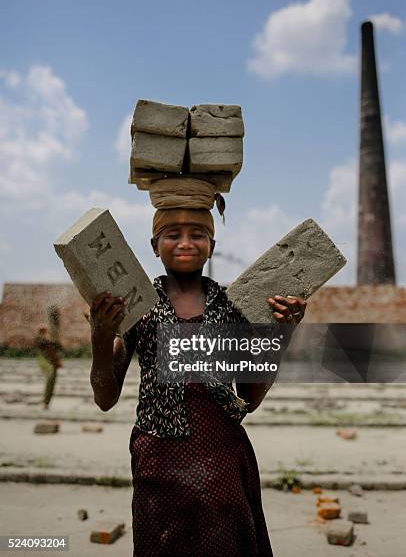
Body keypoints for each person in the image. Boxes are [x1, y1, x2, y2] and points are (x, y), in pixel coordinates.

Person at [89, 178, 306, 556]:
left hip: (221, 460)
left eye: (198, 234)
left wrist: (280, 333)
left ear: (212, 246)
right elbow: (105, 397)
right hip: (159, 464)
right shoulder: (138, 308)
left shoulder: (233, 308)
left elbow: (249, 398)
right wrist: (99, 337)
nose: (186, 243)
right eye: (172, 234)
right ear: (154, 246)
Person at [33, 326, 64, 410]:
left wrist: (57, 361)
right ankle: (46, 402)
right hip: (48, 364)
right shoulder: (40, 342)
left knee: (51, 383)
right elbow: (42, 345)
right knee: (50, 380)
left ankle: (46, 402)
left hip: (53, 364)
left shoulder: (50, 342)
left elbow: (59, 348)